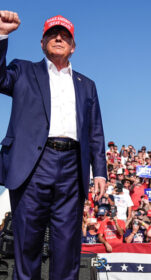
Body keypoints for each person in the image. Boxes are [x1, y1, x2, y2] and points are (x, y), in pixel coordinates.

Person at [0, 12, 107, 279]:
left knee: (67, 247)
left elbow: (95, 132)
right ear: (42, 43)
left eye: (65, 35)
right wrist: (2, 34)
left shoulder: (87, 85)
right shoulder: (23, 70)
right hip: (32, 166)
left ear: (73, 46)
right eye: (52, 34)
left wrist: (101, 171)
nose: (58, 38)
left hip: (72, 167)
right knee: (27, 245)